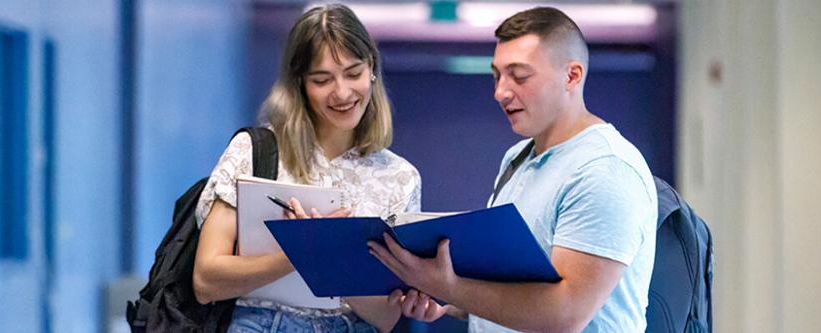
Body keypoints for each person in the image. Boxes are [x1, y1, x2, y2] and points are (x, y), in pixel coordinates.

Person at [368, 7, 657, 333]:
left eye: (519, 76)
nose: (500, 92)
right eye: (497, 76)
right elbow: (505, 286)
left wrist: (450, 288)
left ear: (572, 76)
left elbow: (564, 315)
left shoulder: (605, 169)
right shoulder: (518, 157)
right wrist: (445, 299)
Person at [192, 4, 421, 333]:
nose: (342, 92)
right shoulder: (255, 151)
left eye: (353, 73)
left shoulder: (400, 177)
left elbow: (386, 318)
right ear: (300, 84)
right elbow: (206, 281)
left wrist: (328, 260)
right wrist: (299, 253)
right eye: (322, 80)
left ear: (372, 68)